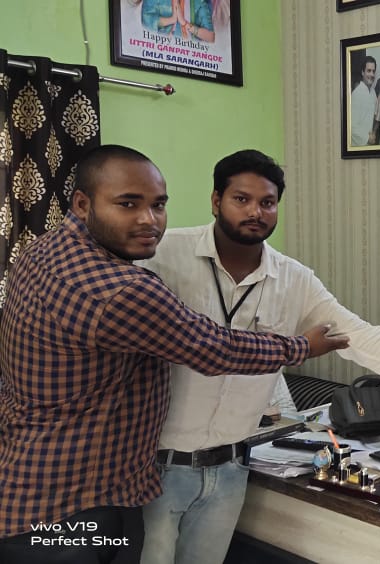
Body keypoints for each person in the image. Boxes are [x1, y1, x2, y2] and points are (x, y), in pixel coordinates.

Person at [0, 145, 348, 563]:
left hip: (27, 480)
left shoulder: (44, 250)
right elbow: (213, 347)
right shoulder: (122, 288)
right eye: (128, 204)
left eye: (159, 205)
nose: (149, 220)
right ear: (82, 203)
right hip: (77, 502)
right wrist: (302, 346)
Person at [138, 151, 380, 564]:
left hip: (232, 469)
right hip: (154, 468)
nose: (255, 212)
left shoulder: (293, 279)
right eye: (241, 199)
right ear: (216, 201)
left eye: (267, 202)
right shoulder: (163, 256)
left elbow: (361, 338)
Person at [350, 55, 378, 146]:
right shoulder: (356, 94)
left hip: (369, 143)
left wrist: (374, 132)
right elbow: (351, 126)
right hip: (358, 144)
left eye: (373, 71)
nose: (372, 74)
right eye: (368, 71)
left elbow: (375, 114)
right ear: (362, 72)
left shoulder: (373, 92)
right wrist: (367, 138)